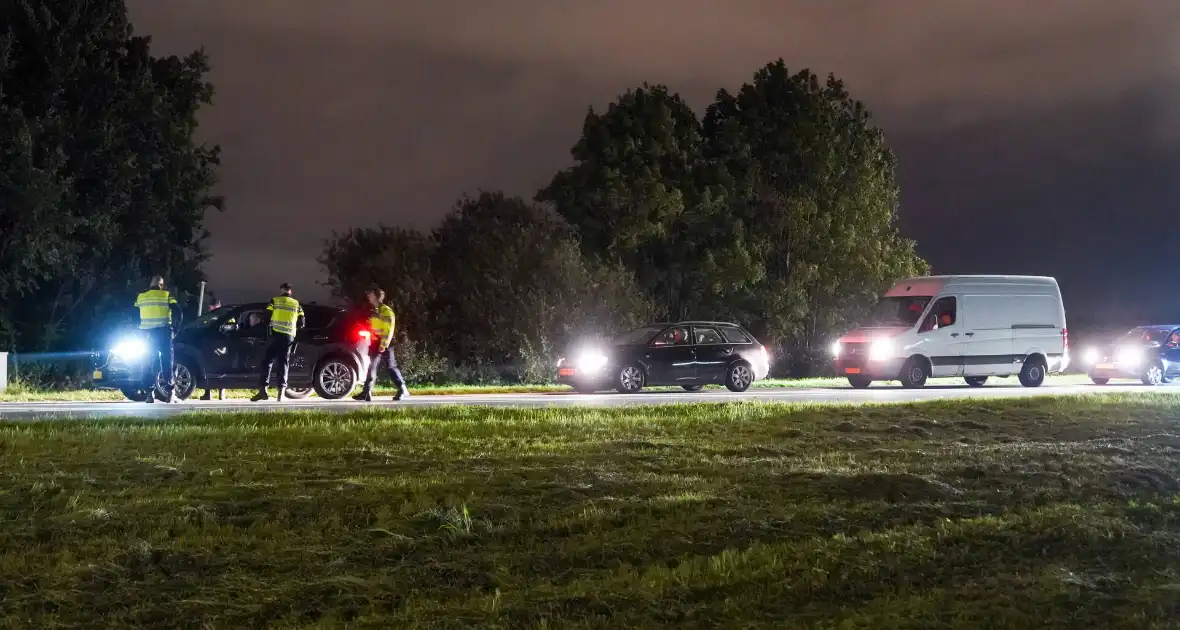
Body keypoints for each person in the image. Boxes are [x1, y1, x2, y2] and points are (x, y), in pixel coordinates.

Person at [252, 283, 305, 402]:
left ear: (281, 290)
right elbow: (302, 323)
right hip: (288, 337)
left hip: (275, 335)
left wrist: (264, 329)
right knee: (283, 363)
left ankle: (263, 391)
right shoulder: (297, 304)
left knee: (267, 361)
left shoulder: (275, 301)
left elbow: (266, 317)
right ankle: (280, 393)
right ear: (290, 291)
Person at [353, 287, 409, 401]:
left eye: (371, 294)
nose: (368, 296)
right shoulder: (375, 310)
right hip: (375, 342)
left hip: (385, 343)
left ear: (376, 296)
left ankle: (402, 389)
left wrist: (383, 344)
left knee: (390, 367)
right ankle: (366, 392)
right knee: (372, 366)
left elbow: (388, 330)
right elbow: (374, 327)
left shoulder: (386, 311)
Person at [134, 275, 183, 403]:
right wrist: (175, 329)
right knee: (167, 362)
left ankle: (149, 395)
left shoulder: (141, 297)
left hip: (146, 334)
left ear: (151, 284)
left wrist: (137, 329)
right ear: (161, 285)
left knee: (147, 362)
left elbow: (133, 314)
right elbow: (179, 313)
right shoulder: (166, 295)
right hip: (163, 332)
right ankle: (170, 393)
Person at [200, 299, 226, 401]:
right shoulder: (210, 316)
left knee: (220, 369)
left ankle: (220, 392)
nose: (209, 309)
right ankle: (209, 393)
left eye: (211, 307)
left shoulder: (223, 316)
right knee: (209, 369)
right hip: (211, 345)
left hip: (220, 345)